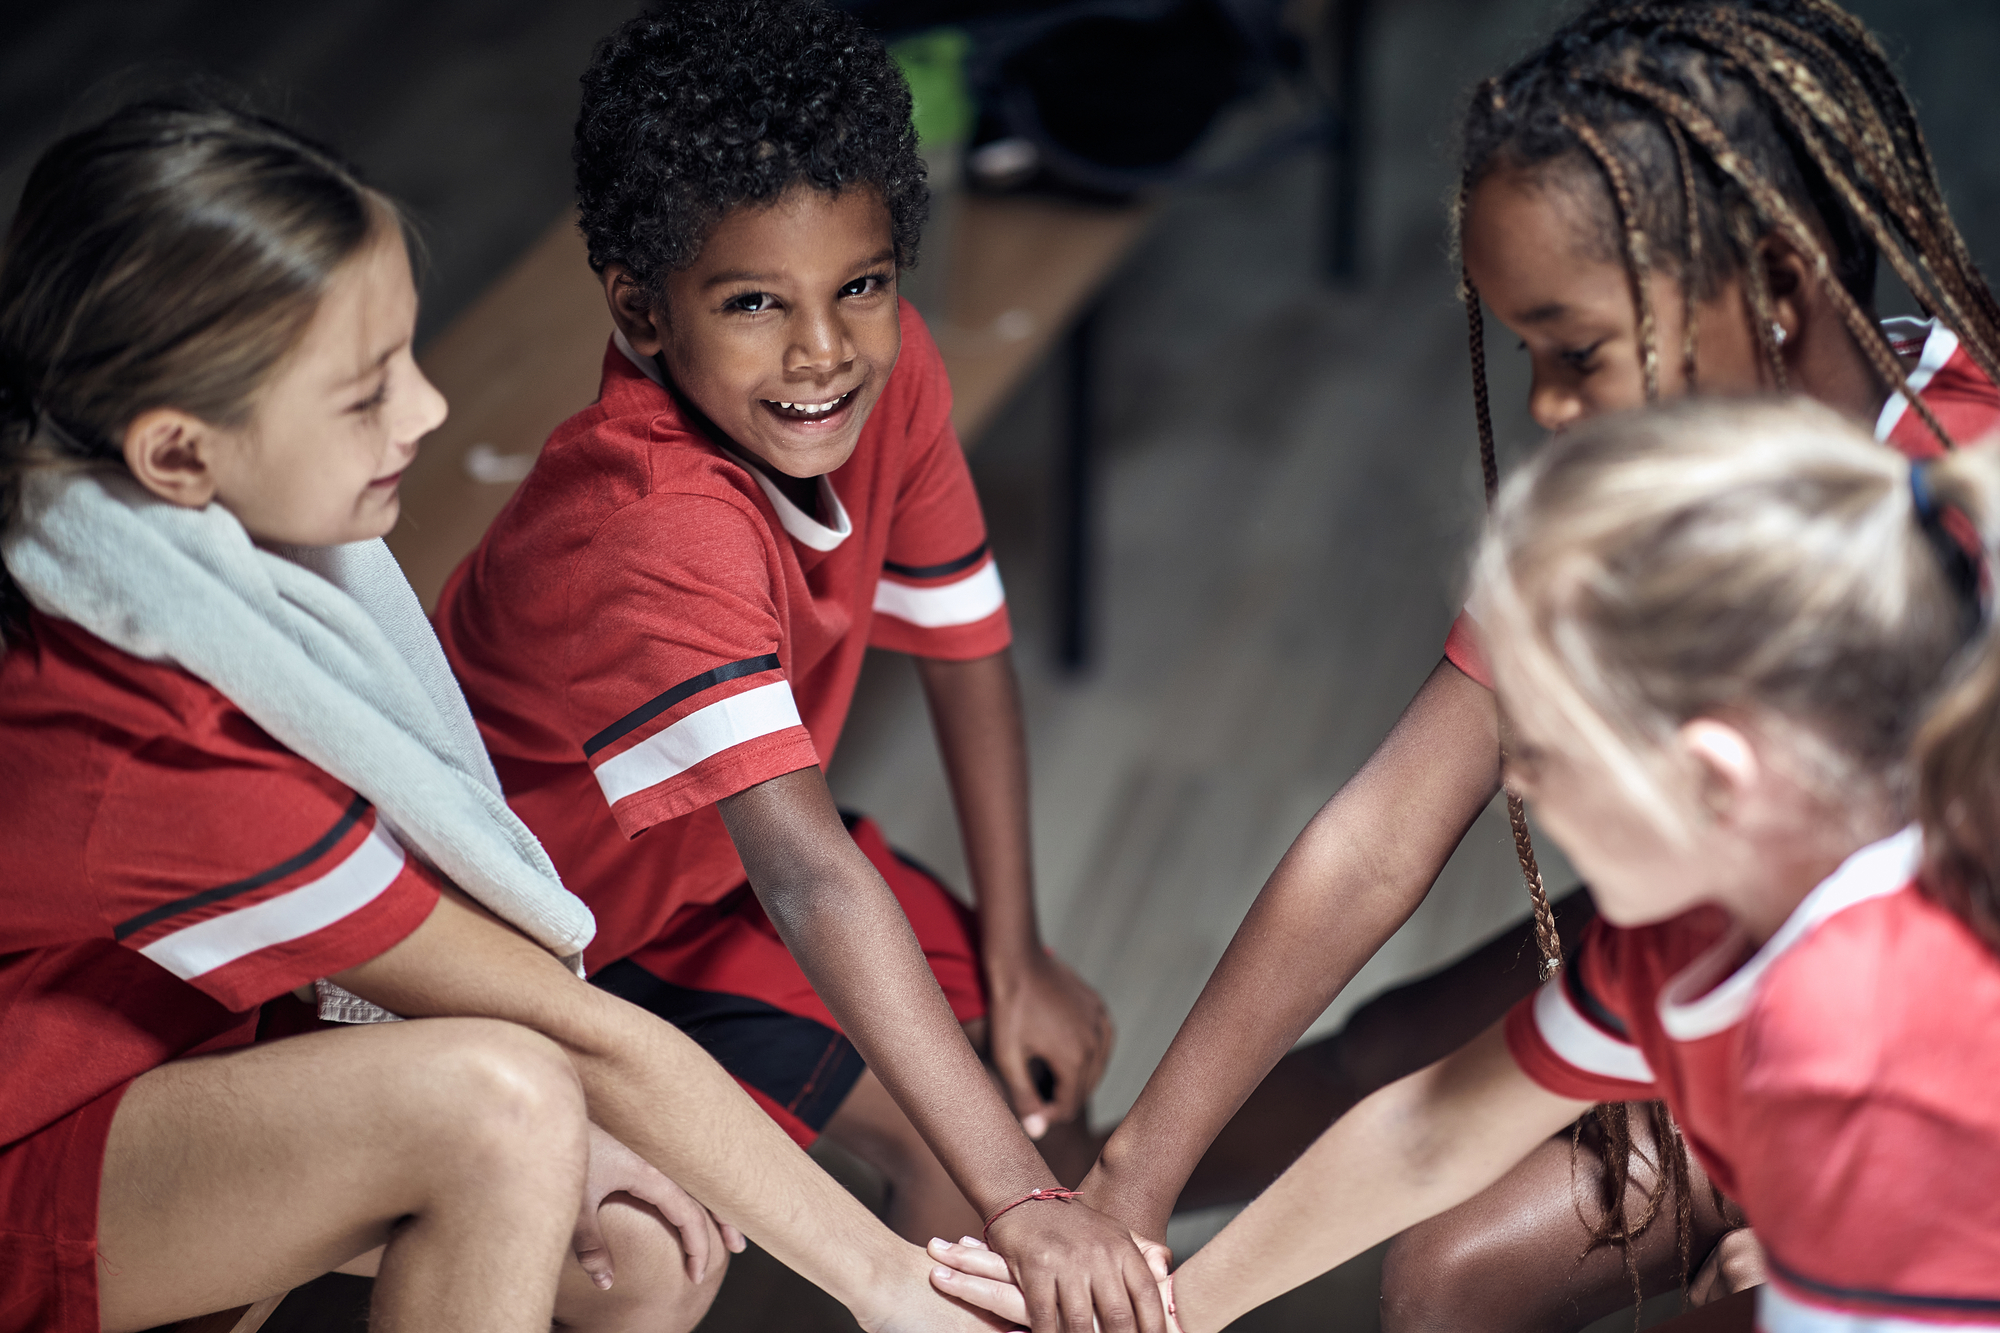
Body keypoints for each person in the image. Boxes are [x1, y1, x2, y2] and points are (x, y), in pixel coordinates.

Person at [0, 95, 1014, 1333]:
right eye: (366, 393)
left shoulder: (156, 567)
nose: (426, 413)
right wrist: (883, 1282)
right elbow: (570, 1033)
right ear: (174, 456)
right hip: (46, 1134)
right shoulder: (142, 743)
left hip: (181, 1036)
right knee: (511, 1097)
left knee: (636, 1241)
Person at [1068, 2, 2000, 1325]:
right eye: (1527, 357)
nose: (1549, 412)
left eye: (1577, 354)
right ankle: (1038, 1214)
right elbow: (1386, 843)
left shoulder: (1964, 495)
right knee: (1395, 1056)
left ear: (1778, 292)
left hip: (1919, 1045)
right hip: (1744, 916)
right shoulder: (1611, 528)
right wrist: (1125, 1189)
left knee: (1451, 1268)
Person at [931, 395, 2000, 1333]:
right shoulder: (1682, 945)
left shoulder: (1855, 1036)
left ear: (1712, 775)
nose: (1518, 789)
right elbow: (1424, 1134)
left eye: (1544, 750)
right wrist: (1169, 1312)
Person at [433, 4, 1156, 1327]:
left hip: (697, 885)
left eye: (860, 287)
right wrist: (1026, 1208)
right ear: (643, 311)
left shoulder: (886, 378)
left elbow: (965, 645)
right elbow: (809, 873)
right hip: (549, 958)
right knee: (949, 1176)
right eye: (756, 303)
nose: (824, 352)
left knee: (1032, 1080)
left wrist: (1019, 952)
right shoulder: (652, 522)